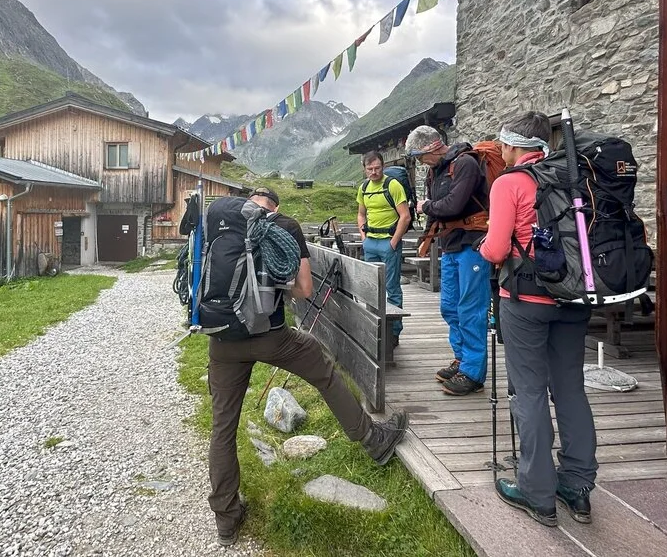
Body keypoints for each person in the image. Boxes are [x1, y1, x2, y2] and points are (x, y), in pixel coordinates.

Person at [205, 186, 410, 546]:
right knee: (325, 372)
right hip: (270, 335)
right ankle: (372, 439)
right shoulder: (284, 225)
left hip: (221, 337)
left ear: (247, 202)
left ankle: (226, 517)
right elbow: (303, 289)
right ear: (274, 205)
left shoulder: (217, 223)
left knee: (223, 425)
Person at [478, 111, 597, 527]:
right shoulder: (572, 177)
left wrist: (484, 249)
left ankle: (537, 491)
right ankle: (578, 487)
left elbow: (495, 250)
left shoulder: (509, 182)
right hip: (576, 297)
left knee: (528, 391)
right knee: (570, 389)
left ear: (512, 146)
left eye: (502, 146)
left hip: (526, 298)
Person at [405, 125, 491, 396]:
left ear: (432, 147)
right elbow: (437, 208)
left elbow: (453, 205)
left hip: (473, 243)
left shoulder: (465, 164)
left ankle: (473, 372)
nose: (420, 163)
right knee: (450, 306)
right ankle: (461, 359)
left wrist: (424, 207)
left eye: (420, 157)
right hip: (450, 245)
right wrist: (426, 235)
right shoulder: (436, 171)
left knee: (471, 308)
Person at [356, 150, 411, 348]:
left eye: (377, 168)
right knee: (371, 286)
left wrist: (394, 241)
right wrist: (364, 238)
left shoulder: (393, 185)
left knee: (392, 288)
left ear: (383, 166)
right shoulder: (363, 188)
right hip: (371, 242)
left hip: (389, 242)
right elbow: (361, 214)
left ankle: (394, 333)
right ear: (364, 169)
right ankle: (374, 328)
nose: (374, 172)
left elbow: (405, 216)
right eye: (370, 169)